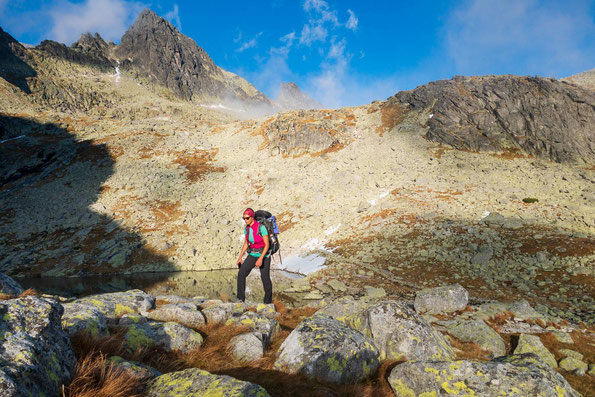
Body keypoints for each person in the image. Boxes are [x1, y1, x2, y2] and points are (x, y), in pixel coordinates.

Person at [236, 208, 273, 304]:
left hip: (264, 255)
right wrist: (240, 257)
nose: (245, 220)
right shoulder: (247, 228)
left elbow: (267, 244)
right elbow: (246, 243)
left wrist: (261, 258)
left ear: (252, 217)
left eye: (247, 218)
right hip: (252, 254)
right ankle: (240, 299)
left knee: (265, 278)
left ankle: (267, 302)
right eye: (244, 218)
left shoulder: (261, 228)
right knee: (241, 274)